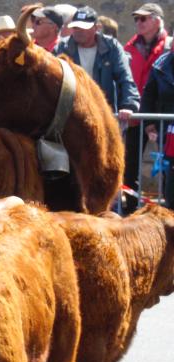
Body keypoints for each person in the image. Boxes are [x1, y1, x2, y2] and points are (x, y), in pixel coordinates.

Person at [123, 3, 169, 213]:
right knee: (130, 165)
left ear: (157, 21)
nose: (138, 23)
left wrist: (152, 120)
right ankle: (131, 210)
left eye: (144, 19)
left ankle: (168, 208)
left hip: (163, 118)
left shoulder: (169, 47)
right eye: (136, 19)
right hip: (136, 116)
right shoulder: (129, 48)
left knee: (167, 166)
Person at [55, 6, 139, 118]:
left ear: (96, 28)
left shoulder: (112, 47)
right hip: (71, 115)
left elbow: (125, 77)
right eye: (75, 27)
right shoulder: (62, 48)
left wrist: (129, 106)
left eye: (83, 27)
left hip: (104, 114)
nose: (78, 31)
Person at [141, 47, 174, 208]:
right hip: (168, 133)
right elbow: (148, 95)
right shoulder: (161, 64)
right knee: (170, 177)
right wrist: (149, 123)